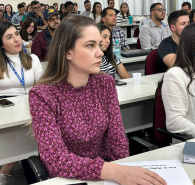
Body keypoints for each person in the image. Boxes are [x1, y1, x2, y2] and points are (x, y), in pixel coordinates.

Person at [28, 14, 166, 185]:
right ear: (67, 52)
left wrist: (123, 171)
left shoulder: (104, 83)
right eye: (90, 45)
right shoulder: (42, 95)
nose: (100, 52)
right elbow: (57, 161)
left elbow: (118, 140)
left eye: (99, 45)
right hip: (69, 179)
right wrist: (115, 171)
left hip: (109, 176)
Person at [0, 20, 43, 185]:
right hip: (6, 111)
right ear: (1, 44)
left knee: (31, 136)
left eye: (16, 34)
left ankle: (13, 171)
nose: (17, 39)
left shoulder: (32, 59)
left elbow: (40, 85)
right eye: (9, 37)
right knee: (25, 140)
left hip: (31, 107)